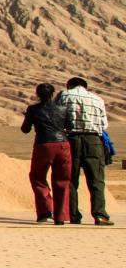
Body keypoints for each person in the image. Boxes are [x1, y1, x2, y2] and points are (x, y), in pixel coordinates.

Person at [56, 77, 111, 226]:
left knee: (71, 180)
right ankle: (100, 215)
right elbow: (104, 124)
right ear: (85, 87)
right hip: (93, 141)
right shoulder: (97, 99)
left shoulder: (64, 96)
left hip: (71, 139)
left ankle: (74, 215)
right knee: (96, 180)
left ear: (69, 86)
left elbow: (57, 117)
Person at [21, 83, 71, 224]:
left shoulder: (33, 109)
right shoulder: (63, 108)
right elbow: (70, 127)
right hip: (63, 145)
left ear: (37, 94)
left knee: (37, 177)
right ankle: (61, 217)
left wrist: (30, 119)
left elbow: (25, 129)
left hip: (43, 145)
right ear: (53, 93)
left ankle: (45, 212)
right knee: (62, 180)